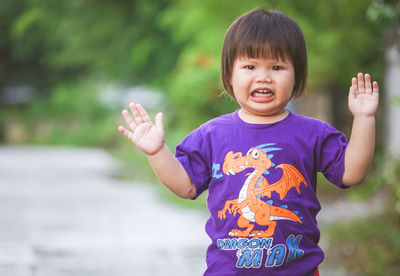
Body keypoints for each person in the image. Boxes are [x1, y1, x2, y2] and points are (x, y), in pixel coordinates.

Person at [118, 8, 379, 276]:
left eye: (277, 67)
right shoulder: (212, 135)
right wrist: (157, 151)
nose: (263, 77)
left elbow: (352, 173)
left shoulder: (312, 133)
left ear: (297, 75)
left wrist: (364, 118)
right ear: (230, 74)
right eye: (250, 66)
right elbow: (184, 186)